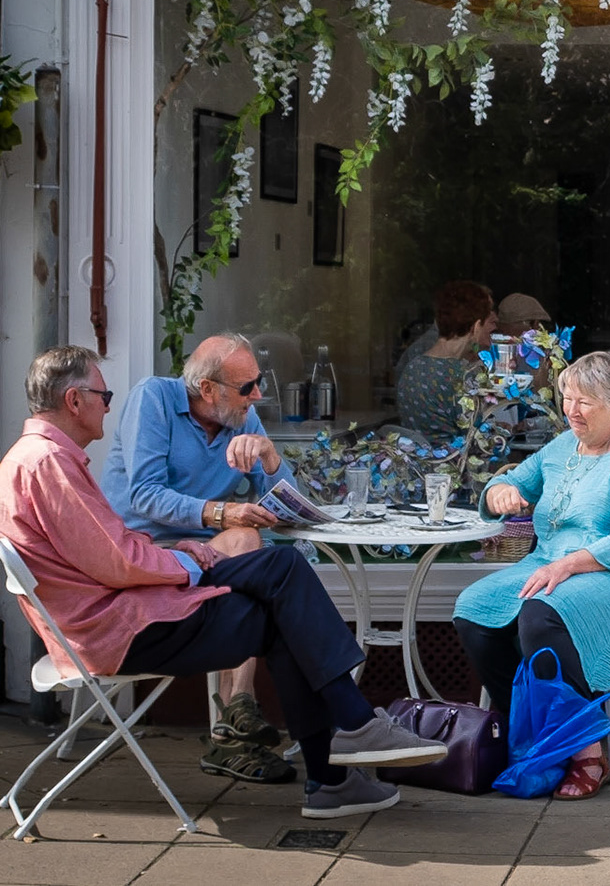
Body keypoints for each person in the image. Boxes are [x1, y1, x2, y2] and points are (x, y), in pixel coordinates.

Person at [0, 346, 449, 818]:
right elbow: (115, 559)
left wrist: (273, 464)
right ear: (74, 400)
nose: (108, 404)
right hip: (120, 625)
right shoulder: (49, 463)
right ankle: (340, 757)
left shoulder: (39, 457)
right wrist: (192, 560)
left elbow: (285, 505)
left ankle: (339, 763)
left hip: (128, 605)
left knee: (282, 586)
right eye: (102, 394)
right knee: (283, 580)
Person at [453, 350, 610, 801]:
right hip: (552, 562)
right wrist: (501, 491)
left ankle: (584, 749)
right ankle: (530, 731)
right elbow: (512, 479)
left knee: (541, 615)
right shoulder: (563, 446)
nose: (572, 411)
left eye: (584, 402)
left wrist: (568, 564)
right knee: (473, 609)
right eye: (567, 399)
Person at [99, 332, 294, 782]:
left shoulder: (242, 418)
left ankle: (237, 712)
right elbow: (143, 495)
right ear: (207, 389)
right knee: (246, 547)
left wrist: (269, 457)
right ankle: (235, 729)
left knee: (250, 549)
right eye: (247, 387)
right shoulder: (154, 398)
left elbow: (289, 508)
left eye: (257, 382)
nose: (258, 395)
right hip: (143, 552)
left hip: (206, 552)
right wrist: (219, 512)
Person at [398, 280, 497, 438]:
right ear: (476, 326)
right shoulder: (460, 376)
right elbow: (482, 438)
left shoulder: (412, 367)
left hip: (417, 459)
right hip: (454, 460)